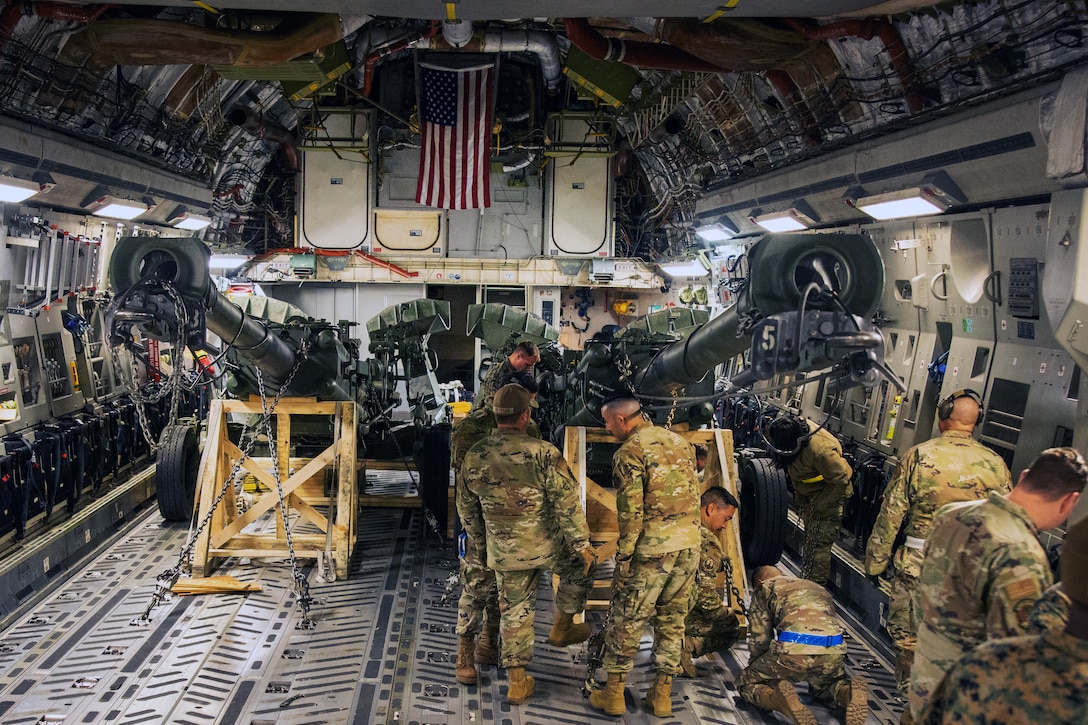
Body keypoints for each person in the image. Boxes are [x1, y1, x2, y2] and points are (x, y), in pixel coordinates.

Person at [908, 446, 1087, 720]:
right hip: (974, 697)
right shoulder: (1022, 554)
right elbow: (1017, 653)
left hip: (925, 672)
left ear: (1025, 476)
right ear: (1069, 501)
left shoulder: (951, 514)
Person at [864, 389, 1012, 693]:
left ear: (943, 416)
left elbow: (891, 514)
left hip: (920, 565)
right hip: (969, 573)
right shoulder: (996, 464)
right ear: (976, 421)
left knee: (909, 638)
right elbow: (1007, 522)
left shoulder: (920, 455)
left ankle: (911, 699)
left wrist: (875, 563)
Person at [457, 384, 597, 705]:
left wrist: (484, 544)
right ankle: (563, 627)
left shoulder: (475, 455)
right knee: (582, 568)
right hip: (548, 543)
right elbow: (566, 501)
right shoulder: (543, 453)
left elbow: (466, 509)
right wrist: (581, 543)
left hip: (505, 552)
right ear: (525, 416)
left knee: (515, 613)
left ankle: (517, 684)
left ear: (495, 416)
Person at [589, 394, 700, 718]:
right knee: (672, 622)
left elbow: (631, 514)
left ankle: (612, 695)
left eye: (608, 422)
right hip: (688, 546)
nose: (607, 429)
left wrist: (623, 559)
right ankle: (661, 696)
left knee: (627, 620)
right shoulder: (679, 442)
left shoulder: (630, 453)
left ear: (622, 420)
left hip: (652, 552)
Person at [450, 371, 541, 685]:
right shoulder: (471, 428)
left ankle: (488, 643)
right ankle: (465, 654)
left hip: (513, 527)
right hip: (479, 520)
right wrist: (476, 535)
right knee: (476, 589)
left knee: (506, 591)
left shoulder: (530, 429)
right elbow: (463, 483)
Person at [739, 566, 869, 725]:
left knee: (747, 683)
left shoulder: (765, 587)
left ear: (759, 581)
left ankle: (778, 701)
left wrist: (759, 671)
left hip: (794, 650)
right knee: (828, 686)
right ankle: (849, 693)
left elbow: (760, 639)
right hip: (833, 649)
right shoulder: (816, 587)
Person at [766, 414, 854, 584]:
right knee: (810, 542)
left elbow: (840, 481)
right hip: (809, 493)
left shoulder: (821, 451)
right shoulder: (787, 434)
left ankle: (814, 590)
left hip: (829, 495)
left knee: (818, 548)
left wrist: (820, 506)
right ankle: (807, 580)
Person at [680, 485, 743, 678]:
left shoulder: (681, 523)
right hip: (680, 613)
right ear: (711, 509)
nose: (725, 526)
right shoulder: (707, 542)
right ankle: (684, 646)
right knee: (731, 627)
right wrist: (726, 613)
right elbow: (705, 597)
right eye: (726, 519)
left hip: (658, 607)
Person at [473, 340, 540, 411]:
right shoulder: (498, 374)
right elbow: (492, 405)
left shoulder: (519, 373)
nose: (528, 369)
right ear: (518, 356)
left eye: (531, 366)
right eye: (527, 365)